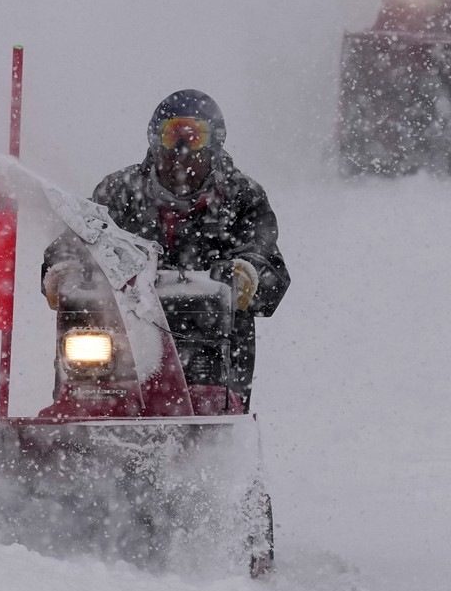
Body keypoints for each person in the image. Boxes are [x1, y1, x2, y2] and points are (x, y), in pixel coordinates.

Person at [41, 90, 289, 410]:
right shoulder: (118, 191)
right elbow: (77, 238)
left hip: (208, 342)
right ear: (155, 140)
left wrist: (248, 274)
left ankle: (216, 446)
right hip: (118, 334)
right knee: (87, 385)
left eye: (194, 137)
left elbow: (267, 258)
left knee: (209, 406)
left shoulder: (242, 198)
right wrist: (62, 268)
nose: (181, 151)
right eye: (172, 135)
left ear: (215, 145)